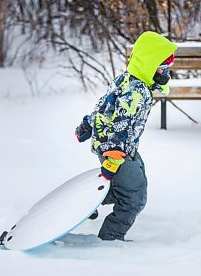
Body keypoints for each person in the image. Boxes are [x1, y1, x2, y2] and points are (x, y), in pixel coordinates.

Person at [75, 31, 177, 241]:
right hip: (117, 149)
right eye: (163, 68)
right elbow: (122, 124)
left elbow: (105, 106)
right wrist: (114, 157)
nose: (166, 73)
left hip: (119, 147)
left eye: (168, 69)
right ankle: (110, 239)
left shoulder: (126, 80)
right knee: (134, 198)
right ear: (149, 64)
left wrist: (88, 123)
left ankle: (88, 202)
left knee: (132, 182)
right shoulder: (137, 92)